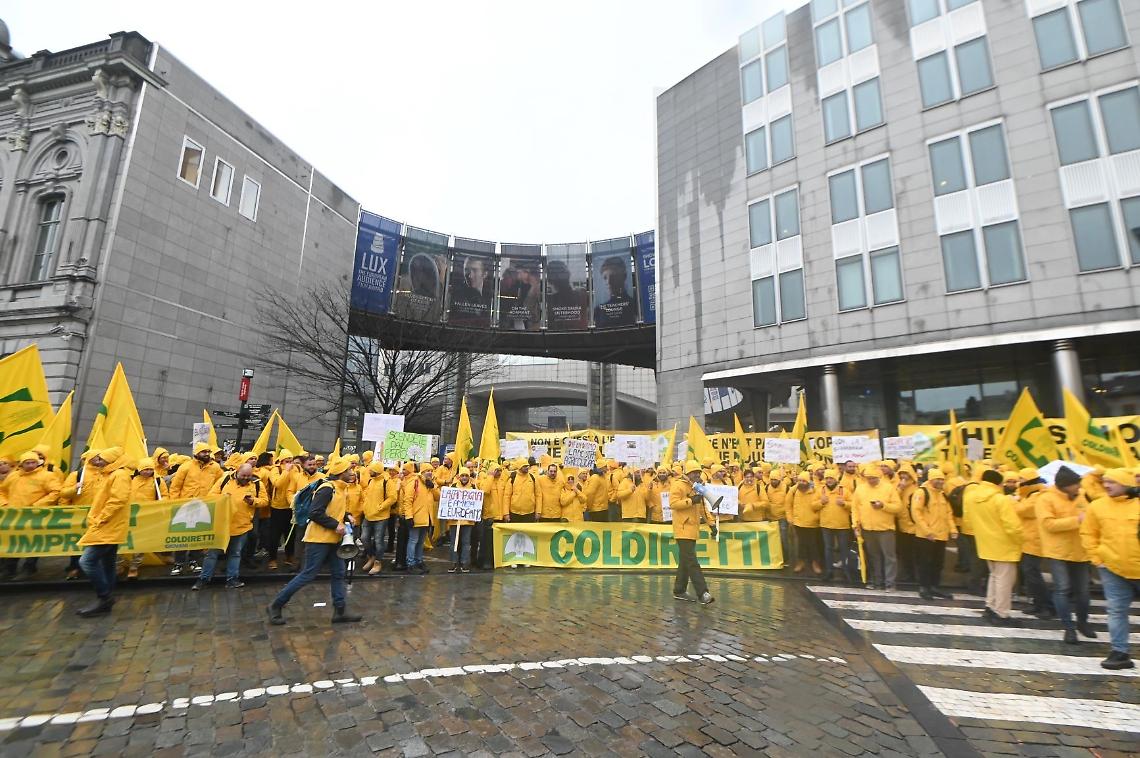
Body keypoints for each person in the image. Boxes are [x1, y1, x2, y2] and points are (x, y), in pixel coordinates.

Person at [267, 458, 363, 625]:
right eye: (349, 470)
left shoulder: (341, 489)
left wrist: (346, 515)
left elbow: (334, 508)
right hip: (318, 539)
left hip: (334, 539)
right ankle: (276, 605)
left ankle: (340, 611)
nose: (352, 472)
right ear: (341, 472)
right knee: (308, 574)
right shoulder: (327, 488)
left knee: (339, 573)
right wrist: (335, 524)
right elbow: (315, 512)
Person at [1079, 468, 1140, 670]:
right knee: (1116, 611)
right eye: (1105, 481)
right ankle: (1119, 652)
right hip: (1113, 569)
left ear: (1126, 483)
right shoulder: (1097, 506)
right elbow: (1088, 533)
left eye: (1112, 482)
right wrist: (1098, 559)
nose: (1106, 485)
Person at [1037, 466, 1095, 644]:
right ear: (1065, 485)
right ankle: (1068, 628)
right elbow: (1049, 525)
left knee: (1084, 592)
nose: (1079, 486)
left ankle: (1083, 623)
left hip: (1081, 551)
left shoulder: (1082, 495)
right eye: (1076, 484)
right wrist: (1076, 520)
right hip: (1058, 552)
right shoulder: (1045, 499)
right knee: (1062, 589)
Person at [75, 447, 132, 617]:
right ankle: (107, 598)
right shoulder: (111, 474)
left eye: (101, 459)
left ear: (111, 461)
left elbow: (117, 500)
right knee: (108, 563)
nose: (97, 461)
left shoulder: (119, 475)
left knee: (87, 562)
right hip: (109, 526)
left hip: (108, 526)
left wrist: (101, 518)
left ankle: (104, 597)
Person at [965, 469, 1023, 626]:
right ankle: (1002, 613)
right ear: (998, 483)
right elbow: (1012, 526)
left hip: (985, 543)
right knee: (1005, 580)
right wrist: (1021, 540)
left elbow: (968, 520)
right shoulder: (1001, 499)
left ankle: (990, 607)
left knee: (994, 577)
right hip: (1004, 544)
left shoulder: (971, 497)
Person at [0, 451, 61, 579]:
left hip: (35, 516)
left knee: (33, 541)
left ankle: (29, 567)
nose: (31, 465)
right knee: (12, 542)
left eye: (33, 462)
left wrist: (37, 506)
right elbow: (2, 491)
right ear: (22, 464)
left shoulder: (47, 476)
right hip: (14, 516)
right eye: (27, 463)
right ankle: (9, 569)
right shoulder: (13, 476)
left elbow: (56, 491)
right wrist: (4, 504)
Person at [168, 442, 223, 575]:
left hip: (205, 506)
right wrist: (175, 504)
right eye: (203, 452)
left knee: (198, 535)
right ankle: (178, 563)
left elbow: (221, 483)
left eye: (208, 452)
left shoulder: (215, 467)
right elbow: (175, 487)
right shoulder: (185, 467)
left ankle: (195, 561)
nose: (207, 454)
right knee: (182, 535)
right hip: (185, 507)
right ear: (196, 453)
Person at [671, 461, 715, 605]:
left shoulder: (697, 487)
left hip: (692, 529)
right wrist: (690, 501)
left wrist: (711, 524)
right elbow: (673, 504)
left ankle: (679, 590)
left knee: (685, 561)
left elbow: (702, 507)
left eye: (698, 472)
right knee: (692, 562)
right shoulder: (678, 485)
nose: (697, 474)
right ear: (687, 473)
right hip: (682, 529)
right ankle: (703, 593)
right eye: (694, 472)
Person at [852, 464, 901, 591]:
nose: (871, 480)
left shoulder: (889, 488)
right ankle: (876, 582)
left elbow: (898, 507)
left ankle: (890, 583)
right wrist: (855, 524)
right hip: (867, 529)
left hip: (885, 529)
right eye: (868, 478)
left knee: (889, 557)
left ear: (879, 476)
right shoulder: (860, 489)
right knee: (874, 556)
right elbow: (855, 508)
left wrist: (883, 506)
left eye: (873, 478)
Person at [911, 468, 956, 600]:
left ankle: (934, 587)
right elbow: (916, 513)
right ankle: (924, 587)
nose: (941, 481)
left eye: (942, 479)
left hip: (941, 536)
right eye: (938, 479)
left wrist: (953, 530)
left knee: (938, 563)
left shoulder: (943, 495)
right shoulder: (922, 492)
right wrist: (927, 531)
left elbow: (948, 514)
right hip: (926, 536)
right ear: (931, 480)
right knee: (925, 563)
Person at [1014, 468, 1053, 618]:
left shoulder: (1037, 496)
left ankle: (1046, 606)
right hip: (1028, 539)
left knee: (1032, 574)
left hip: (1035, 541)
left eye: (1021, 479)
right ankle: (1038, 604)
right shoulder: (1028, 494)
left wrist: (1014, 503)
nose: (1019, 483)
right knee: (1030, 573)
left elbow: (1024, 511)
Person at [124, 457, 169, 580]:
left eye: (150, 469)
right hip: (128, 515)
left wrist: (161, 503)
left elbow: (165, 495)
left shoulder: (157, 481)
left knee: (140, 542)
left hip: (147, 516)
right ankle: (118, 565)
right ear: (139, 469)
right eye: (145, 469)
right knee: (123, 540)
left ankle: (134, 566)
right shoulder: (130, 479)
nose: (148, 472)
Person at [401, 462, 438, 575]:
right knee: (413, 541)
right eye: (427, 471)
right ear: (422, 472)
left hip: (427, 518)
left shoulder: (430, 483)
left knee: (421, 541)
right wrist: (409, 516)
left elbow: (438, 497)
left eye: (431, 471)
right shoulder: (414, 482)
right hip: (416, 518)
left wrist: (433, 487)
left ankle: (419, 561)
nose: (430, 473)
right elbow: (407, 500)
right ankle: (410, 563)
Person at [361, 462, 398, 575]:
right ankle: (372, 556)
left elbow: (392, 498)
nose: (369, 471)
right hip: (368, 515)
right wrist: (365, 507)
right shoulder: (371, 481)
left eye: (371, 469)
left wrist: (380, 507)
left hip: (381, 517)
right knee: (364, 538)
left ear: (375, 470)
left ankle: (378, 562)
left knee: (379, 541)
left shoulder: (387, 482)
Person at [818, 469, 852, 583]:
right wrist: (820, 502)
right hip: (826, 524)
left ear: (836, 479)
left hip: (842, 525)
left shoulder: (845, 491)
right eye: (827, 478)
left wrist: (845, 504)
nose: (829, 480)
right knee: (828, 549)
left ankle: (846, 571)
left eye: (831, 478)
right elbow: (812, 506)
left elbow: (854, 505)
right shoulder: (820, 490)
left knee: (843, 549)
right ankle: (829, 571)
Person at [788, 473, 822, 575]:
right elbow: (788, 505)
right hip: (798, 523)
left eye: (804, 481)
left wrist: (817, 517)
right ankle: (800, 562)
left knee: (813, 545)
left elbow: (821, 505)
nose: (801, 483)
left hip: (813, 523)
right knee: (801, 545)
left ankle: (815, 563)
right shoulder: (793, 491)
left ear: (808, 481)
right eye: (800, 481)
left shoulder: (816, 491)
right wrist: (790, 518)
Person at [447, 467, 479, 573]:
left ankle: (464, 563)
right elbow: (447, 502)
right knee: (454, 543)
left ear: (469, 477)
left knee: (466, 542)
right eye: (462, 475)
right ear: (459, 476)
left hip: (468, 521)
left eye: (466, 476)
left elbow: (477, 502)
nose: (464, 478)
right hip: (454, 520)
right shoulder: (453, 486)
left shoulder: (474, 487)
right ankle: (454, 563)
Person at [593, 256, 636, 328]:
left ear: (624, 276)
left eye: (613, 276)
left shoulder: (634, 305)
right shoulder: (599, 310)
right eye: (605, 278)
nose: (609, 282)